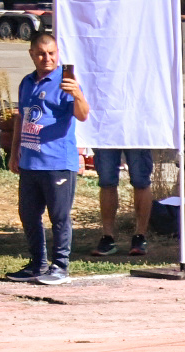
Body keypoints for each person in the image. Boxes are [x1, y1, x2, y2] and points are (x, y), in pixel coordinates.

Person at [9, 29, 86, 283]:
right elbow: (21, 118)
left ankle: (60, 266)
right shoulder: (27, 82)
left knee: (59, 217)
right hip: (30, 161)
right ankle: (37, 264)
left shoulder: (65, 82)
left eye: (51, 53)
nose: (47, 59)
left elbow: (83, 115)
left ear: (58, 53)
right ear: (32, 54)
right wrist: (14, 153)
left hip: (57, 162)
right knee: (29, 215)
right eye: (41, 54)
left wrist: (77, 95)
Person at [91, 141, 155, 257]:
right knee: (106, 179)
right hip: (106, 133)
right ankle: (107, 237)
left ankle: (140, 237)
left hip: (136, 134)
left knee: (140, 179)